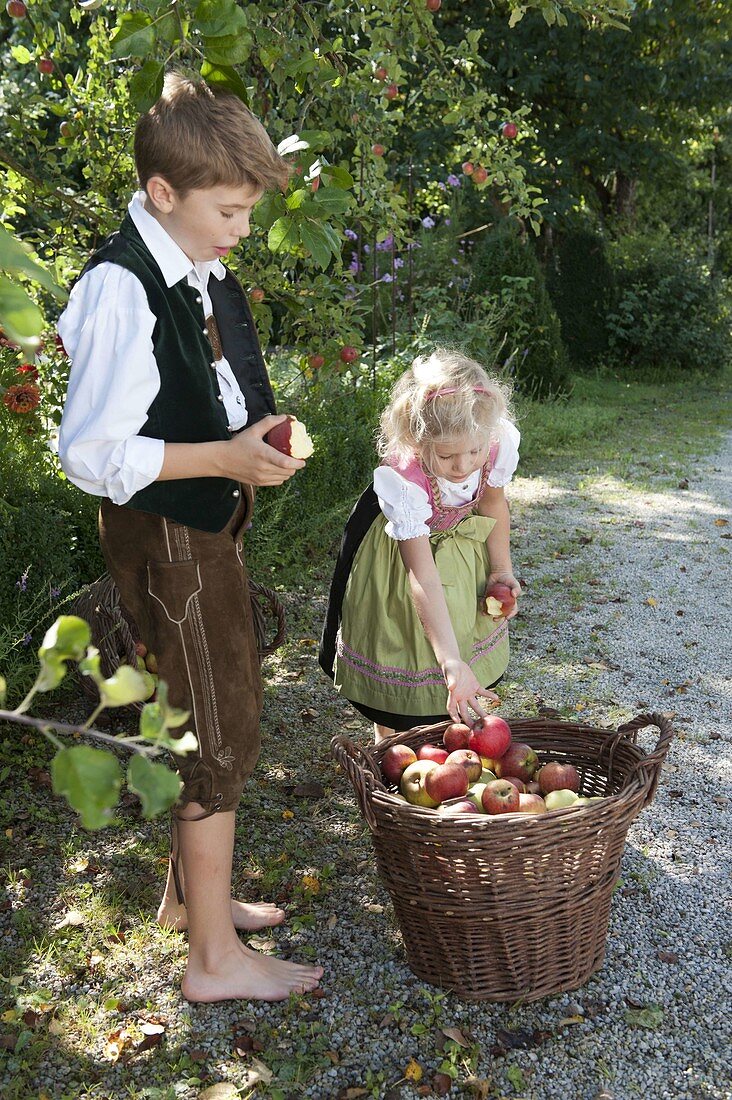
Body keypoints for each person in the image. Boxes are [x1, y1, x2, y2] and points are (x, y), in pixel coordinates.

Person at [57, 72, 322, 1002]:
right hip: (166, 534)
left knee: (206, 697)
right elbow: (94, 453)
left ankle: (187, 901)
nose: (242, 229)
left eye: (250, 210)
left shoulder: (191, 263)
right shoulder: (122, 289)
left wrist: (249, 453)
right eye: (231, 209)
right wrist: (224, 459)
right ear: (163, 194)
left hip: (198, 530)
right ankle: (212, 961)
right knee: (220, 726)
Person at [319, 349, 521, 742]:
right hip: (402, 560)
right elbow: (422, 575)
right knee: (404, 638)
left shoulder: (495, 443)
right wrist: (449, 661)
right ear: (418, 440)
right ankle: (390, 740)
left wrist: (500, 569)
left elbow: (494, 502)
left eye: (474, 452)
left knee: (461, 622)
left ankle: (451, 732)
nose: (463, 466)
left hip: (459, 550)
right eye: (446, 456)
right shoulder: (406, 480)